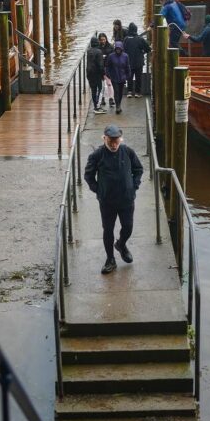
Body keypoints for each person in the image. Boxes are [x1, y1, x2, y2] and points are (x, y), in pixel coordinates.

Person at [84, 123, 143, 275]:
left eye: (117, 141)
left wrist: (134, 186)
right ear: (104, 139)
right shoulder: (97, 155)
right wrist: (99, 190)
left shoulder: (128, 152)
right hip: (107, 202)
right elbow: (88, 175)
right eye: (111, 141)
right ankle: (110, 259)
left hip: (126, 199)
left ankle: (121, 244)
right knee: (108, 230)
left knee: (128, 227)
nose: (114, 144)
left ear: (120, 140)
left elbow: (138, 169)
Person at [122, 22, 151, 98]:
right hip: (139, 62)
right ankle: (138, 92)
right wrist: (143, 52)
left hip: (128, 62)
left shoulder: (126, 39)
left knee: (129, 77)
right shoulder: (140, 39)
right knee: (138, 78)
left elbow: (123, 50)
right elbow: (148, 49)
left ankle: (129, 91)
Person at [104, 40, 132, 114]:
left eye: (119, 49)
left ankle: (119, 103)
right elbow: (108, 66)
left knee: (120, 92)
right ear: (115, 49)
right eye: (117, 49)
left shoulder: (125, 56)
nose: (118, 50)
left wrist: (128, 75)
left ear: (121, 49)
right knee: (116, 91)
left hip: (122, 77)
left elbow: (127, 66)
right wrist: (108, 74)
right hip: (114, 77)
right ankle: (118, 106)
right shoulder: (111, 56)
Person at [87, 36, 106, 113]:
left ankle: (95, 105)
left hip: (89, 73)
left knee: (93, 90)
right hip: (97, 74)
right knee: (101, 89)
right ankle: (97, 107)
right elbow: (100, 65)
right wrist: (103, 74)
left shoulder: (89, 51)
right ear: (97, 43)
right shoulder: (99, 52)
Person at [97, 32, 115, 107]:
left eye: (104, 39)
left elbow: (113, 56)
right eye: (101, 40)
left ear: (106, 39)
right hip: (100, 68)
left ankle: (111, 98)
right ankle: (103, 99)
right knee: (101, 85)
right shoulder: (97, 48)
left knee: (109, 83)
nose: (103, 41)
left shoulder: (110, 46)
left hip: (108, 67)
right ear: (99, 40)